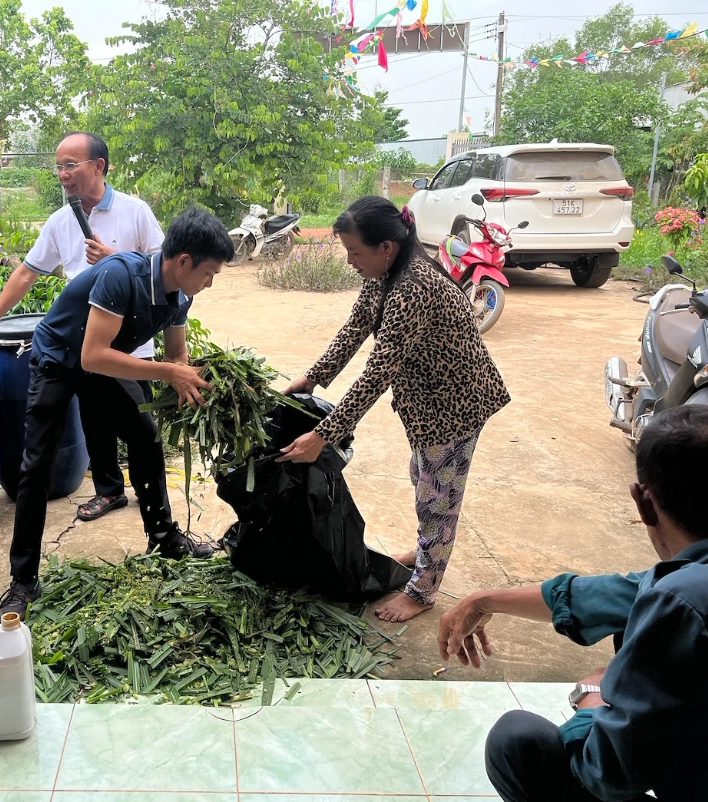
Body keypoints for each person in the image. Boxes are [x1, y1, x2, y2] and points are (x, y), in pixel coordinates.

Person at [437, 406, 708, 802]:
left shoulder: (680, 604)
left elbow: (610, 773)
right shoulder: (684, 586)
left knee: (517, 741)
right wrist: (486, 599)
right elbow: (616, 594)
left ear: (642, 502)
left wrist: (593, 700)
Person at [0, 206, 234, 619]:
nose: (210, 283)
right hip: (59, 359)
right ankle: (23, 579)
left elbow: (177, 353)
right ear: (183, 261)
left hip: (103, 361)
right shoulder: (121, 275)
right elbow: (91, 355)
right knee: (37, 464)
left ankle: (163, 538)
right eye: (209, 273)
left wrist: (187, 380)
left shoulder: (180, 293)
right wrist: (168, 371)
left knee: (145, 434)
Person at [278, 196, 510, 623]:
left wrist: (322, 435)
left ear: (386, 246)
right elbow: (355, 328)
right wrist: (312, 377)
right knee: (423, 479)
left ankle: (423, 590)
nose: (350, 261)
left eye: (355, 252)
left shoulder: (413, 287)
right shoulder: (384, 273)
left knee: (438, 497)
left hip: (454, 405)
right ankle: (426, 552)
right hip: (425, 403)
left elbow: (376, 373)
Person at [0, 131, 165, 523]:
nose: (63, 174)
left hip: (129, 345)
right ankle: (109, 490)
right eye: (59, 166)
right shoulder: (59, 221)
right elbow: (26, 273)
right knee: (94, 420)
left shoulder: (135, 211)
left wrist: (114, 257)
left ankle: (149, 493)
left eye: (71, 165)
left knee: (141, 425)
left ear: (99, 166)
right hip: (81, 345)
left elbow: (163, 268)